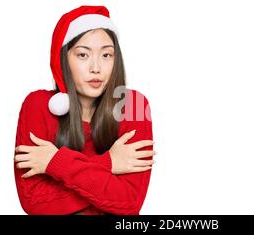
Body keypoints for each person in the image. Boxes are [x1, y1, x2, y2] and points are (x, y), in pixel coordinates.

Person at [13, 5, 155, 215]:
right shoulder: (37, 105)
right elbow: (34, 202)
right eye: (83, 55)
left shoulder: (133, 105)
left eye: (106, 55)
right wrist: (108, 164)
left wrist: (55, 163)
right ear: (63, 60)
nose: (96, 67)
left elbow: (129, 203)